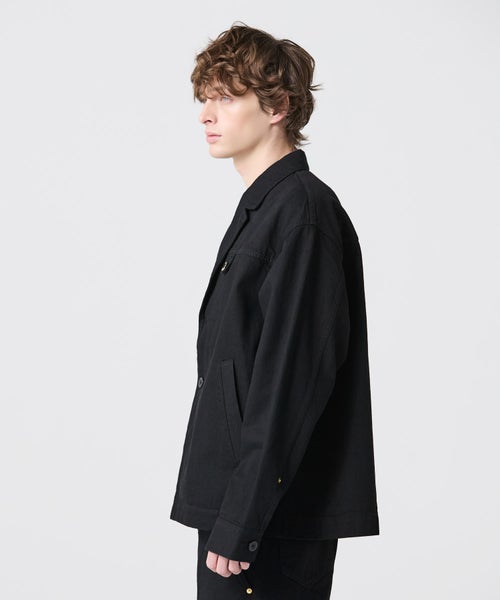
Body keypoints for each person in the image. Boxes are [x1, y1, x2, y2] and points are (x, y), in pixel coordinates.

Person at [169, 22, 380, 599]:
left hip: (267, 523)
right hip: (246, 509)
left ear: (278, 107)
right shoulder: (266, 211)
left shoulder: (301, 216)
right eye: (204, 98)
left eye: (226, 97)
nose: (206, 114)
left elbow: (289, 382)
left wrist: (242, 518)